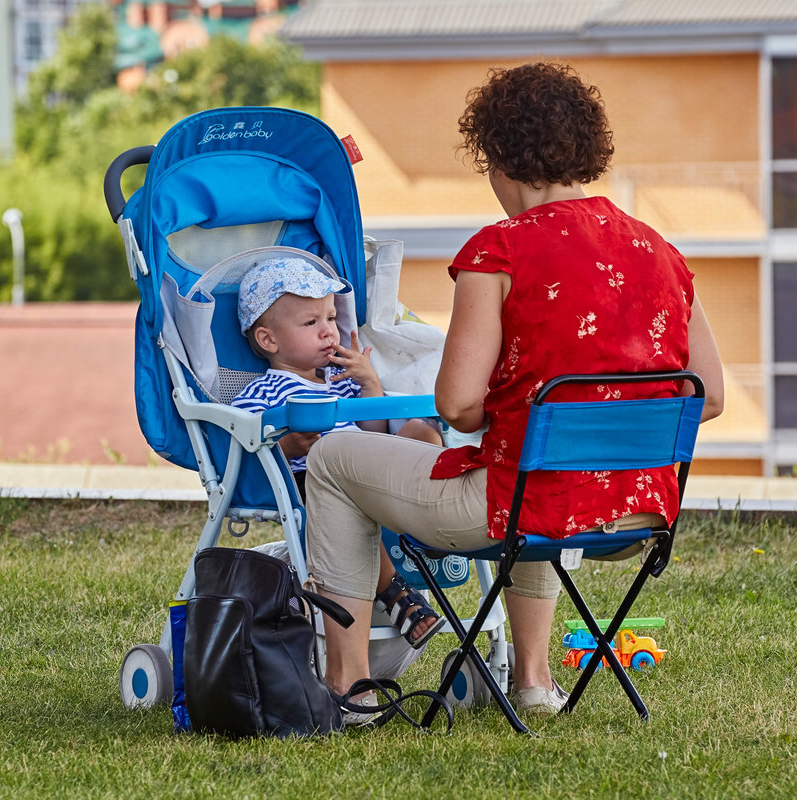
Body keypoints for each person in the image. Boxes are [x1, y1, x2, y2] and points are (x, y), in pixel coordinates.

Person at [303, 61, 724, 718]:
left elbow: (457, 406)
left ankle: (349, 688)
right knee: (540, 467)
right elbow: (710, 396)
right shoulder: (660, 251)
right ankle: (531, 680)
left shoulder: (497, 252)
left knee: (331, 461)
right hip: (636, 512)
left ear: (496, 157)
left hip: (520, 506)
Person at [231, 253, 446, 655]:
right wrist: (283, 446)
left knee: (420, 429)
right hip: (313, 484)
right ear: (268, 340)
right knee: (349, 504)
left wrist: (370, 387)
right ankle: (397, 596)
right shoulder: (263, 393)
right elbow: (244, 447)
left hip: (371, 471)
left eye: (331, 318)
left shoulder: (340, 381)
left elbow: (375, 433)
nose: (329, 331)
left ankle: (434, 517)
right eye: (311, 323)